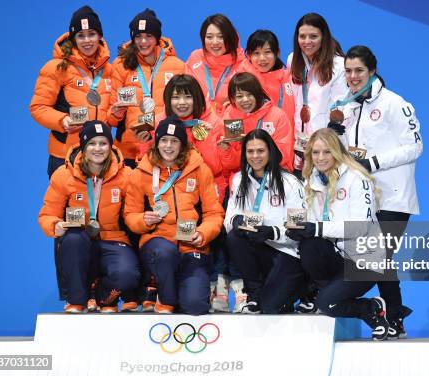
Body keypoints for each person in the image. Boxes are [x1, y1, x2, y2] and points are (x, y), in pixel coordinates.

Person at [330, 45, 423, 338]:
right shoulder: (346, 106)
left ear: (372, 71)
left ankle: (392, 315)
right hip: (361, 198)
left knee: (379, 258)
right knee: (379, 260)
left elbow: (415, 146)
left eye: (359, 70)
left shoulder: (396, 104)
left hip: (393, 196)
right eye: (348, 71)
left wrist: (373, 161)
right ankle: (393, 315)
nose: (353, 76)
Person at [285, 128, 391, 340]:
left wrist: (317, 227)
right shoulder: (311, 181)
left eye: (327, 152)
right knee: (309, 245)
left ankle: (370, 308)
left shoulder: (357, 179)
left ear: (337, 152)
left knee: (326, 304)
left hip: (365, 261)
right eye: (315, 153)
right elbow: (306, 220)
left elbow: (360, 227)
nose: (321, 158)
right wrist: (296, 229)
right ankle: (327, 293)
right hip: (337, 255)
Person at [124, 116, 224, 314]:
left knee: (195, 305)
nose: (168, 146)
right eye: (164, 140)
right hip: (158, 243)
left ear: (183, 144)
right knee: (165, 253)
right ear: (157, 142)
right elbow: (130, 214)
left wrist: (203, 233)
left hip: (191, 246)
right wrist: (143, 220)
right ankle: (166, 297)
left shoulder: (199, 169)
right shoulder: (141, 172)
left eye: (174, 141)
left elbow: (214, 213)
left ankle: (176, 290)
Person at [38, 121, 140, 313]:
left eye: (103, 143)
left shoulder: (126, 175)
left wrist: (142, 222)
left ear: (110, 146)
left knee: (127, 276)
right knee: (72, 240)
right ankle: (78, 300)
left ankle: (102, 297)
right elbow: (47, 213)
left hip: (113, 239)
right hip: (81, 238)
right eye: (92, 144)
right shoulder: (63, 174)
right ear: (83, 147)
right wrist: (55, 225)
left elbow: (134, 212)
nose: (98, 149)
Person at [224, 129, 305, 313]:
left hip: (286, 251)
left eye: (260, 151)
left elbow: (299, 228)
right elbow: (228, 220)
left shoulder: (290, 182)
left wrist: (273, 232)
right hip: (257, 249)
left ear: (270, 151)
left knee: (271, 307)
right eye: (250, 151)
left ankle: (305, 289)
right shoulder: (238, 180)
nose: (255, 156)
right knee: (235, 238)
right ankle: (253, 293)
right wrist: (237, 220)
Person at [30, 6, 112, 178]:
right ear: (73, 38)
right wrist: (63, 120)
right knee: (67, 206)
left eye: (92, 34)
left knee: (101, 205)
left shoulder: (109, 70)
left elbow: (109, 114)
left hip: (101, 155)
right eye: (80, 35)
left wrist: (116, 113)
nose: (87, 40)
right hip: (65, 154)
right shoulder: (56, 67)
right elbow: (38, 107)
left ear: (100, 36)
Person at [108, 8, 184, 168]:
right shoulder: (121, 65)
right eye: (138, 37)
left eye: (149, 36)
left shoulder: (177, 66)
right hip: (128, 151)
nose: (143, 42)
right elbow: (111, 119)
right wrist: (116, 113)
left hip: (164, 149)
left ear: (157, 38)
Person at [287, 13, 347, 173]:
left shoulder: (339, 65)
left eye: (313, 36)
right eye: (302, 36)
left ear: (324, 37)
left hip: (325, 147)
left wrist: (327, 140)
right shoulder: (293, 60)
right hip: (299, 144)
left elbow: (340, 106)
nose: (307, 41)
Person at [219, 72, 294, 173]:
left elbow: (283, 156)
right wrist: (226, 150)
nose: (245, 100)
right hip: (244, 174)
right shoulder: (232, 118)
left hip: (274, 173)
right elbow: (233, 163)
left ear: (258, 94)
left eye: (249, 95)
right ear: (233, 99)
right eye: (239, 96)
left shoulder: (277, 116)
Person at [185, 14, 245, 115]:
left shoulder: (243, 65)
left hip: (230, 125)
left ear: (230, 37)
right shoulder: (195, 58)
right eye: (209, 37)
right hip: (199, 125)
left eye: (221, 37)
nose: (215, 42)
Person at [237, 30, 295, 128]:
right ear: (249, 55)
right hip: (253, 141)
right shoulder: (241, 82)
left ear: (277, 53)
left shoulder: (289, 78)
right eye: (256, 53)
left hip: (285, 139)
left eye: (267, 52)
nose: (262, 58)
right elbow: (233, 115)